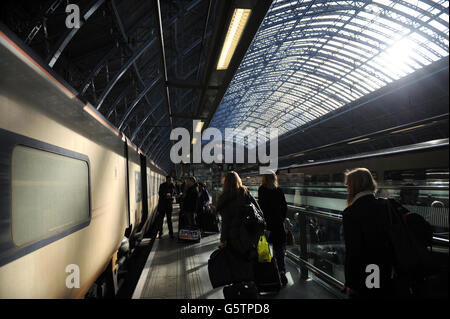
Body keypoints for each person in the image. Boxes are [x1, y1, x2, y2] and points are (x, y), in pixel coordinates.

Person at [342, 168, 394, 298]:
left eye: (348, 184)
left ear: (354, 186)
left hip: (369, 270)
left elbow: (353, 251)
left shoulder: (351, 212)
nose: (347, 188)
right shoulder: (385, 205)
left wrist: (350, 282)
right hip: (388, 267)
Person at [217, 171, 262, 260]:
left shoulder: (224, 198)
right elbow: (258, 211)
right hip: (248, 232)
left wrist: (223, 240)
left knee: (236, 262)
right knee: (248, 260)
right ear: (238, 180)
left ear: (225, 183)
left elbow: (225, 222)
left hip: (232, 237)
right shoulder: (245, 193)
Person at [257, 171, 288, 286]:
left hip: (266, 225)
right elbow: (284, 206)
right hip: (278, 224)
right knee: (279, 249)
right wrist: (281, 218)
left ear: (264, 179)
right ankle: (281, 272)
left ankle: (267, 273)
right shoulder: (279, 190)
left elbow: (260, 207)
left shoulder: (262, 190)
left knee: (265, 248)